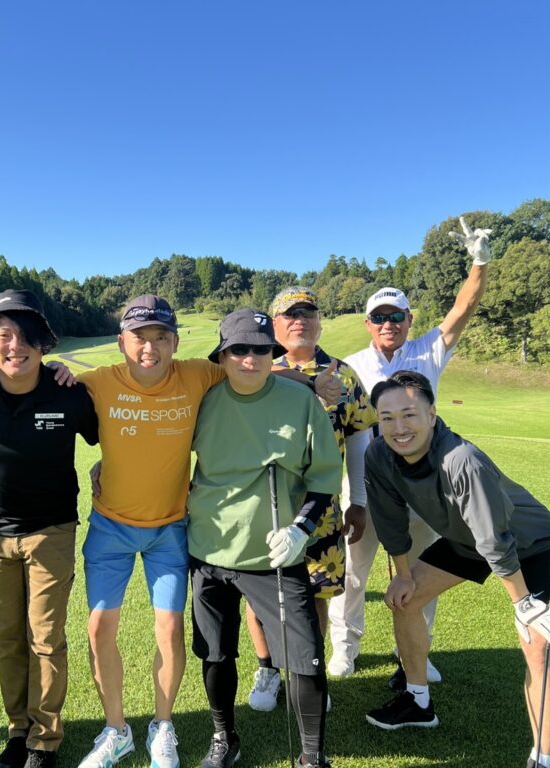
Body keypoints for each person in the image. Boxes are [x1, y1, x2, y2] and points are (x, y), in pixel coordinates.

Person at [362, 371, 550, 768]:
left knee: (538, 645)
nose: (399, 428)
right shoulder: (379, 455)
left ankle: (543, 759)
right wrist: (403, 575)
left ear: (432, 415)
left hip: (529, 543)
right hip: (467, 541)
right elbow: (390, 521)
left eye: (409, 415)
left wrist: (523, 604)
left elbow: (495, 539)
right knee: (405, 600)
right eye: (387, 418)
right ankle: (417, 702)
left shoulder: (461, 459)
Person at [329, 216, 493, 684]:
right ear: (368, 323)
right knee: (354, 573)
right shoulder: (351, 366)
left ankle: (415, 653)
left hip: (424, 485)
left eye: (397, 316)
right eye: (380, 317)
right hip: (365, 483)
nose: (389, 324)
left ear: (409, 320)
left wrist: (479, 263)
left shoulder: (428, 351)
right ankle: (345, 647)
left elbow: (463, 308)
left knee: (421, 573)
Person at [187, 309, 343, 768]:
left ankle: (312, 756)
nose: (250, 359)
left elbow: (324, 478)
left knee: (305, 657)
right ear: (222, 356)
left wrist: (301, 529)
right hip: (209, 551)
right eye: (239, 349)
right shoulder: (204, 401)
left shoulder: (301, 402)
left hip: (277, 554)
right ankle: (224, 736)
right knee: (216, 653)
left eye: (260, 349)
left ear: (273, 353)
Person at [75, 295, 225, 768]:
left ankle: (163, 726)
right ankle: (116, 730)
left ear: (175, 342)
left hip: (169, 530)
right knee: (99, 628)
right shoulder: (97, 382)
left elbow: (253, 369)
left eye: (161, 337)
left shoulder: (199, 374)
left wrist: (312, 379)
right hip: (110, 527)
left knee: (171, 628)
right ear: (122, 341)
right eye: (140, 337)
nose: (150, 348)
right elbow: (36, 380)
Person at [0, 290, 99, 768]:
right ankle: (18, 731)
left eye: (25, 336)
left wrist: (105, 469)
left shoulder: (66, 391)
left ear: (43, 343)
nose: (14, 346)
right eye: (3, 336)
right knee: (9, 639)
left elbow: (109, 434)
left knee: (46, 638)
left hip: (51, 530)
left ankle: (44, 740)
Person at [244, 287, 376, 710]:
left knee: (316, 592)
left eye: (308, 312)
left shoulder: (344, 374)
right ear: (275, 325)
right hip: (262, 505)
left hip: (322, 508)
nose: (299, 320)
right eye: (289, 314)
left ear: (320, 321)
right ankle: (268, 669)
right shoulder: (256, 368)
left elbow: (359, 440)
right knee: (259, 592)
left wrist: (359, 500)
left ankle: (308, 671)